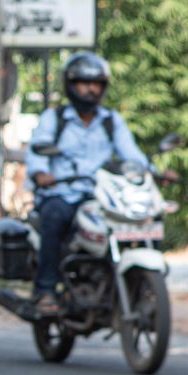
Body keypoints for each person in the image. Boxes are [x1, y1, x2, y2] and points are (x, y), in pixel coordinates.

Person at [25, 51, 148, 316]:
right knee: (54, 216)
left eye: (96, 84)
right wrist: (40, 174)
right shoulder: (54, 118)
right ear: (71, 85)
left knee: (144, 219)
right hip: (62, 193)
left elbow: (132, 155)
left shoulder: (111, 121)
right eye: (84, 83)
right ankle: (46, 290)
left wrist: (152, 172)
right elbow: (36, 153)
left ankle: (139, 288)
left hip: (101, 197)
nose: (90, 89)